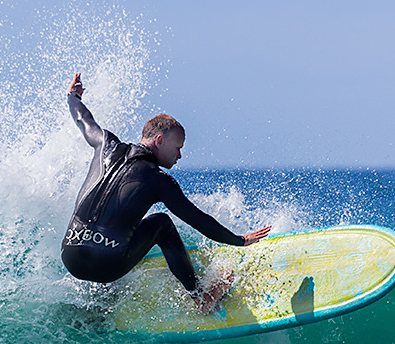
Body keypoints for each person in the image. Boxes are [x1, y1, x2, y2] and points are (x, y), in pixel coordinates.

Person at [61, 73, 271, 314]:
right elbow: (198, 219)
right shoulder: (159, 180)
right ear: (159, 140)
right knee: (162, 223)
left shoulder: (105, 144)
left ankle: (103, 296)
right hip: (108, 266)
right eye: (178, 147)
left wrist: (73, 96)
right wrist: (239, 240)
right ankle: (200, 297)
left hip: (70, 255)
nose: (179, 155)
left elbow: (84, 120)